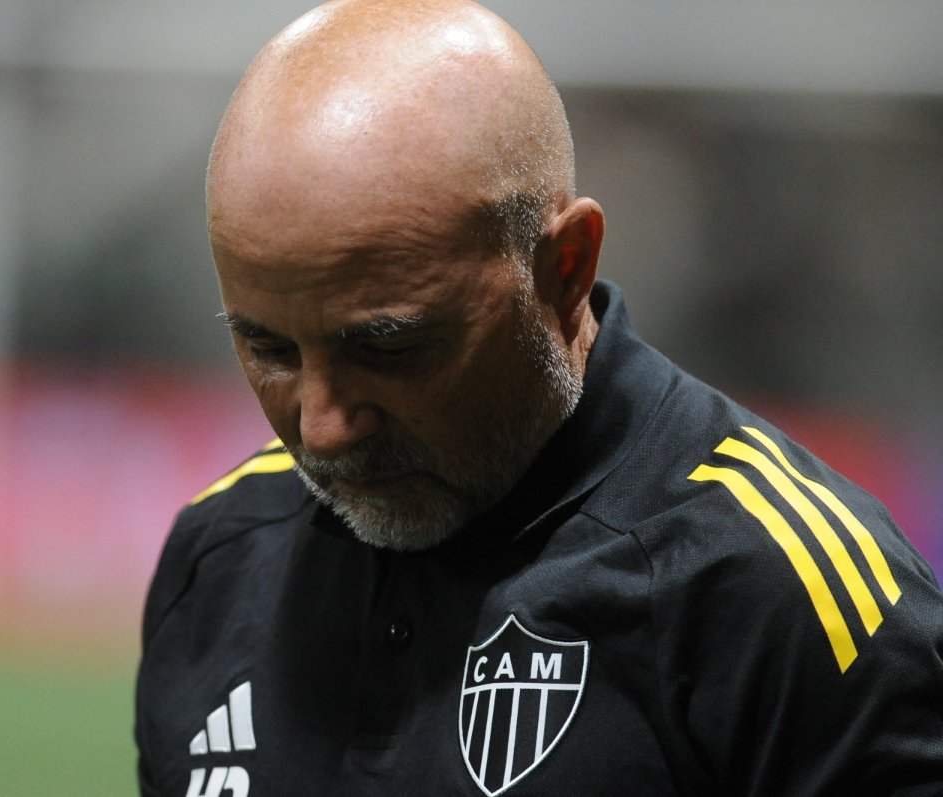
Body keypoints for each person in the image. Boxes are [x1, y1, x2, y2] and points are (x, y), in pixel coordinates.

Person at [134, 0, 943, 794]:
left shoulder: (787, 602)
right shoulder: (219, 559)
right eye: (269, 348)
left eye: (388, 346)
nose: (323, 427)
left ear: (565, 266)